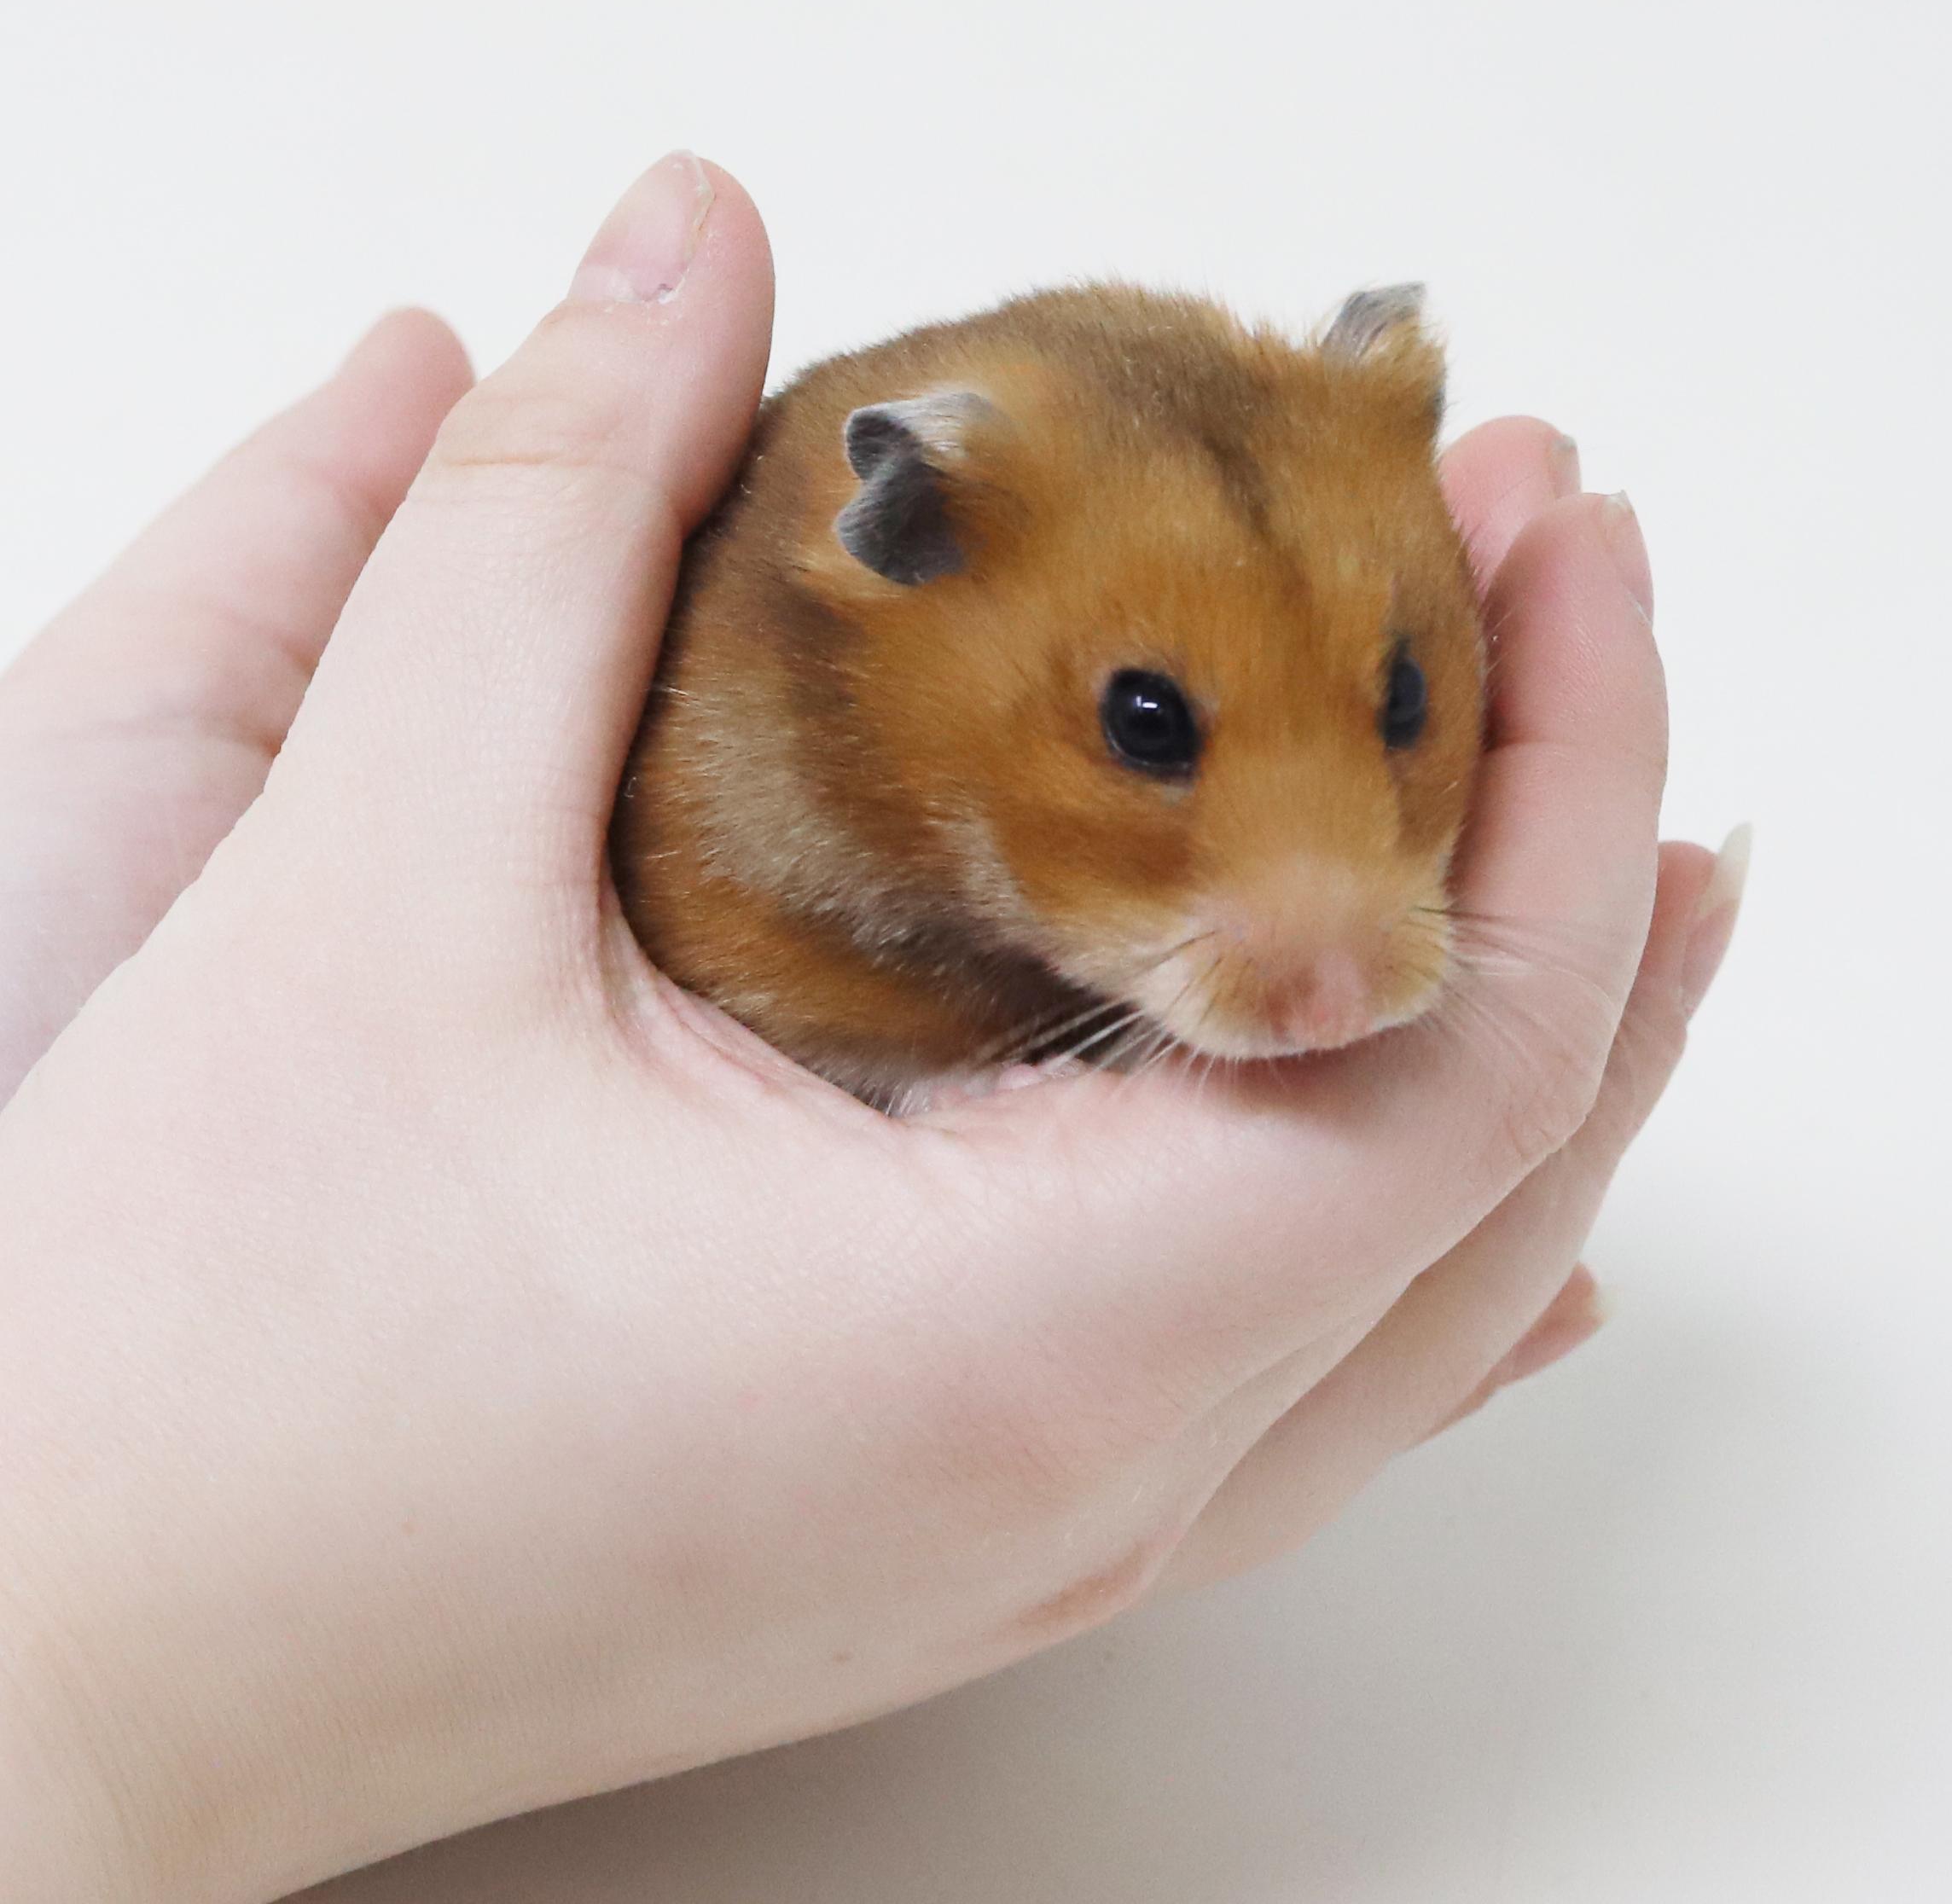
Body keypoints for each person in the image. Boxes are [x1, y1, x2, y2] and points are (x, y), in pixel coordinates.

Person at [0, 154, 1741, 1903]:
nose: (1335, 954)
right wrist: (141, 1678)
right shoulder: (744, 759)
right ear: (908, 531)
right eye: (1148, 724)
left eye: (1398, 705)